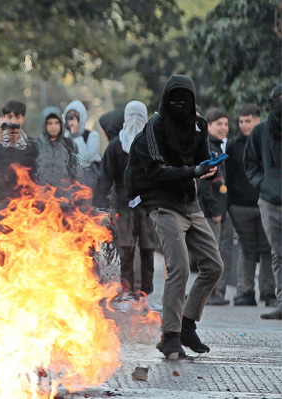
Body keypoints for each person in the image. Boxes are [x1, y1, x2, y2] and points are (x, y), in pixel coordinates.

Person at [126, 75, 224, 359]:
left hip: (190, 202)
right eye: (174, 99)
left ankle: (187, 324)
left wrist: (210, 168)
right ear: (165, 100)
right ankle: (169, 336)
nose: (180, 105)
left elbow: (201, 160)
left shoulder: (199, 125)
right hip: (161, 203)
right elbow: (156, 170)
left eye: (185, 99)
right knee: (179, 267)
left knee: (213, 265)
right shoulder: (154, 128)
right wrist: (192, 171)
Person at [96, 101, 156, 296]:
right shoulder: (115, 147)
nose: (136, 121)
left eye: (140, 116)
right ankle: (126, 292)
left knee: (147, 249)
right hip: (123, 206)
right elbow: (105, 178)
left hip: (147, 205)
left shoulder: (152, 145)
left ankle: (145, 294)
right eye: (132, 115)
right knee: (126, 249)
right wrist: (100, 207)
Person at [226, 104, 274, 307]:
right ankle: (245, 291)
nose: (244, 125)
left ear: (258, 119)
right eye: (241, 121)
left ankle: (270, 292)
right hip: (240, 206)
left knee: (268, 250)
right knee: (247, 250)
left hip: (265, 202)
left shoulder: (269, 141)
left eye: (248, 120)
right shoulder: (234, 146)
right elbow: (227, 176)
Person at [245, 84, 282, 320]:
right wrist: (263, 183)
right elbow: (250, 163)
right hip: (269, 202)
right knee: (278, 252)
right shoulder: (260, 132)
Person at [197, 108, 231, 305]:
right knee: (211, 253)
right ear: (208, 126)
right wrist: (215, 210)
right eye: (219, 124)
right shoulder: (208, 146)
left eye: (226, 124)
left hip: (220, 208)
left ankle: (215, 292)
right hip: (211, 212)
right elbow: (205, 183)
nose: (223, 128)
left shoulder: (219, 145)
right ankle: (210, 294)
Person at [34, 106, 79, 189]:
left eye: (56, 123)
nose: (53, 126)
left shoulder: (69, 144)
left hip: (64, 195)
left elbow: (76, 171)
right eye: (49, 123)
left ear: (61, 124)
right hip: (41, 195)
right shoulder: (36, 144)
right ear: (44, 125)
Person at [64, 100, 101, 190]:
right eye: (70, 117)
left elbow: (85, 160)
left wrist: (76, 136)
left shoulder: (92, 136)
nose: (72, 121)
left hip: (88, 181)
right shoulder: (64, 136)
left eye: (75, 116)